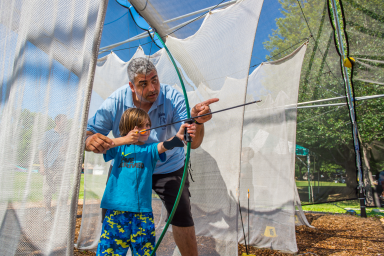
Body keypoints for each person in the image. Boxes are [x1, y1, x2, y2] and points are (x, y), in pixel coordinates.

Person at [86, 57, 218, 256]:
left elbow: (193, 141)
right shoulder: (115, 101)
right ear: (131, 86)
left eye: (155, 79)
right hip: (127, 166)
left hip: (169, 167)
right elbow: (89, 135)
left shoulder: (173, 97)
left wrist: (197, 122)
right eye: (143, 84)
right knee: (113, 213)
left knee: (181, 214)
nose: (153, 88)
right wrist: (90, 141)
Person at [96, 108, 196, 256]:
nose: (147, 129)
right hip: (116, 212)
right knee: (110, 252)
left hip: (142, 214)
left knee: (145, 252)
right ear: (130, 128)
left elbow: (164, 145)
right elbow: (101, 147)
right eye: (141, 126)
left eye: (148, 125)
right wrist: (125, 139)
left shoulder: (150, 150)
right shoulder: (118, 147)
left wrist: (180, 135)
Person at [39, 114, 68, 220]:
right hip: (49, 167)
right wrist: (42, 166)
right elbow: (41, 151)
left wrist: (66, 149)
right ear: (57, 121)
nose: (65, 124)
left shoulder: (66, 135)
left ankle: (63, 212)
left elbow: (70, 149)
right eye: (63, 121)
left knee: (64, 191)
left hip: (62, 167)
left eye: (66, 122)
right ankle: (47, 213)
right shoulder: (48, 134)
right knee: (47, 191)